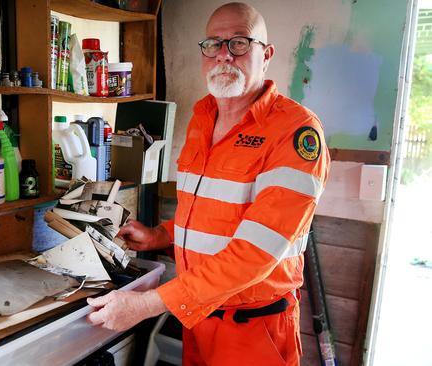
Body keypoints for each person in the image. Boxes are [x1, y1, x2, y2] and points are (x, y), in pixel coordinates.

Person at [86, 2, 330, 365]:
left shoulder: (295, 132)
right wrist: (160, 235)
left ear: (267, 55)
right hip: (197, 317)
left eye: (239, 43)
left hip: (254, 329)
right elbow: (208, 213)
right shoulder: (203, 116)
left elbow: (254, 254)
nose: (223, 56)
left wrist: (149, 305)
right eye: (213, 44)